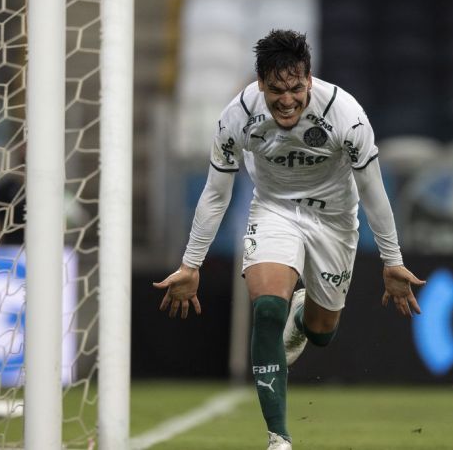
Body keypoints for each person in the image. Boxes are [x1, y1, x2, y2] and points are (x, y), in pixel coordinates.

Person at [153, 30, 425, 450]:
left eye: (296, 88)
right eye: (277, 89)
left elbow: (372, 190)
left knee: (321, 333)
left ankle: (301, 317)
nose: (287, 100)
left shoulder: (345, 114)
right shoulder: (237, 116)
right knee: (265, 309)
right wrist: (191, 265)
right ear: (260, 83)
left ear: (309, 79)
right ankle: (278, 438)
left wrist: (392, 261)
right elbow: (215, 193)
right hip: (275, 210)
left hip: (335, 221)